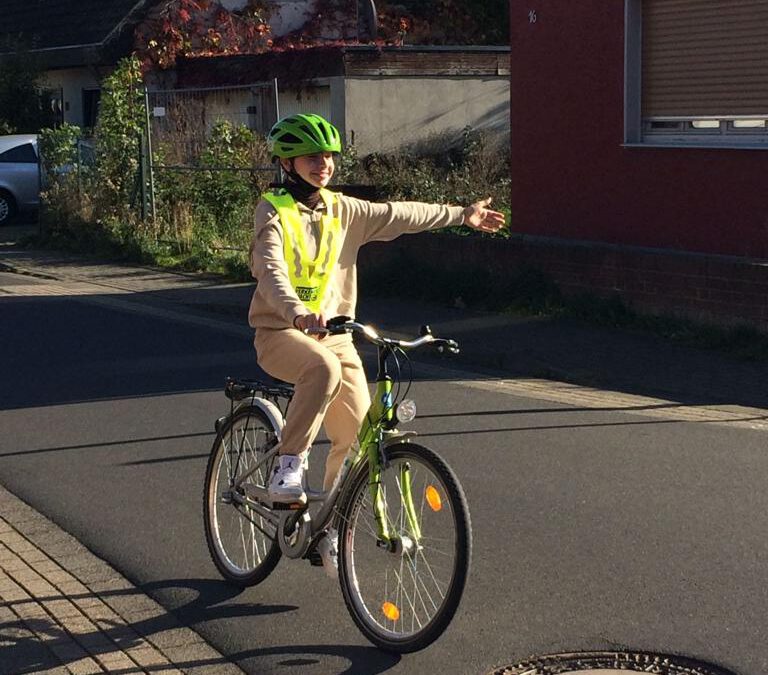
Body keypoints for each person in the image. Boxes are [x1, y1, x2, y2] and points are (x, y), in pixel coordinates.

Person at [248, 113, 505, 573]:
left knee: (358, 435)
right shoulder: (273, 210)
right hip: (282, 332)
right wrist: (296, 312)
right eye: (311, 157)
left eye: (328, 156)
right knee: (320, 371)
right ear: (286, 163)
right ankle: (288, 464)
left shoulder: (344, 210)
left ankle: (322, 528)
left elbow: (400, 214)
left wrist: (461, 215)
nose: (322, 164)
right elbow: (269, 269)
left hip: (338, 339)